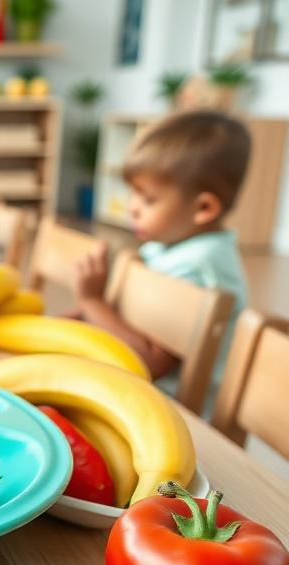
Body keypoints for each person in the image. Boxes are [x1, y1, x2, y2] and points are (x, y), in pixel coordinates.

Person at [74, 110, 251, 393]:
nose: (132, 207)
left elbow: (152, 363)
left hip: (173, 408)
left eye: (148, 199)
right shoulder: (168, 244)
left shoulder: (198, 268)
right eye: (133, 193)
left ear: (204, 208)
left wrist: (92, 301)